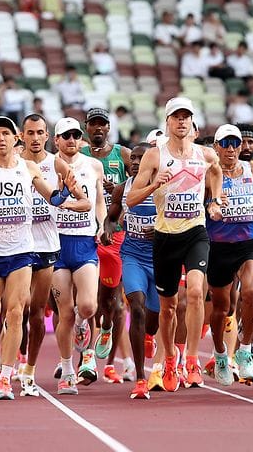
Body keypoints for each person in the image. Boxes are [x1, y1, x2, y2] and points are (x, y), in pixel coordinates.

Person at [0, 116, 88, 399]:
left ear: (15, 139)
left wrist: (63, 192)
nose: (1, 139)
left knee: (16, 312)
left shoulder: (29, 167)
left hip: (23, 251)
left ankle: (5, 376)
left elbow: (53, 198)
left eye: (5, 134)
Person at [126, 97, 224, 392]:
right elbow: (131, 200)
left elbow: (216, 171)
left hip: (195, 232)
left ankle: (191, 358)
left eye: (186, 117)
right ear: (167, 123)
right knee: (167, 309)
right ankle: (170, 358)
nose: (181, 122)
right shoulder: (154, 157)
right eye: (175, 117)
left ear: (193, 123)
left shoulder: (204, 154)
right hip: (165, 237)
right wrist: (156, 184)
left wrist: (215, 200)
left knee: (195, 292)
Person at [205, 125, 253, 387]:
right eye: (226, 143)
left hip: (248, 244)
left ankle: (245, 349)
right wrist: (211, 206)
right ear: (216, 147)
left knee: (250, 292)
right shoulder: (210, 174)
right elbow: (203, 200)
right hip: (218, 247)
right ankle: (221, 353)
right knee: (222, 308)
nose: (232, 148)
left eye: (235, 143)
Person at [50, 117, 106, 393]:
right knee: (64, 313)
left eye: (75, 135)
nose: (71, 140)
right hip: (56, 244)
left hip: (84, 242)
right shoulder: (47, 167)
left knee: (87, 307)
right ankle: (68, 369)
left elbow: (99, 200)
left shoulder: (93, 165)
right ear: (56, 140)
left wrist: (102, 224)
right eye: (66, 136)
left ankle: (84, 325)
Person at [80, 108, 132, 382]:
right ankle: (84, 358)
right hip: (84, 231)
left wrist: (119, 188)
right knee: (86, 299)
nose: (98, 129)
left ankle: (109, 357)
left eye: (102, 124)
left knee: (111, 300)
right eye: (93, 125)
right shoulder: (80, 155)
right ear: (87, 128)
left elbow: (138, 179)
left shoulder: (122, 154)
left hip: (116, 232)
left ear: (109, 127)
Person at [106, 143, 159, 399]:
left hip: (161, 258)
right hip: (133, 255)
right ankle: (140, 378)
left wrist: (160, 232)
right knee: (136, 307)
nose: (137, 161)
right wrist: (107, 229)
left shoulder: (164, 187)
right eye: (134, 158)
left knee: (154, 319)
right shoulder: (123, 188)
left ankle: (150, 336)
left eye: (143, 157)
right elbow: (112, 217)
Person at [17, 114, 64, 395]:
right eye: (30, 132)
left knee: (36, 311)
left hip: (46, 243)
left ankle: (29, 371)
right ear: (22, 136)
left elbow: (67, 196)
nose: (35, 137)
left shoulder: (55, 163)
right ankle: (10, 361)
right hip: (18, 245)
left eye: (40, 132)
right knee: (16, 308)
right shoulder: (13, 163)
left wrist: (75, 199)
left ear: (47, 135)